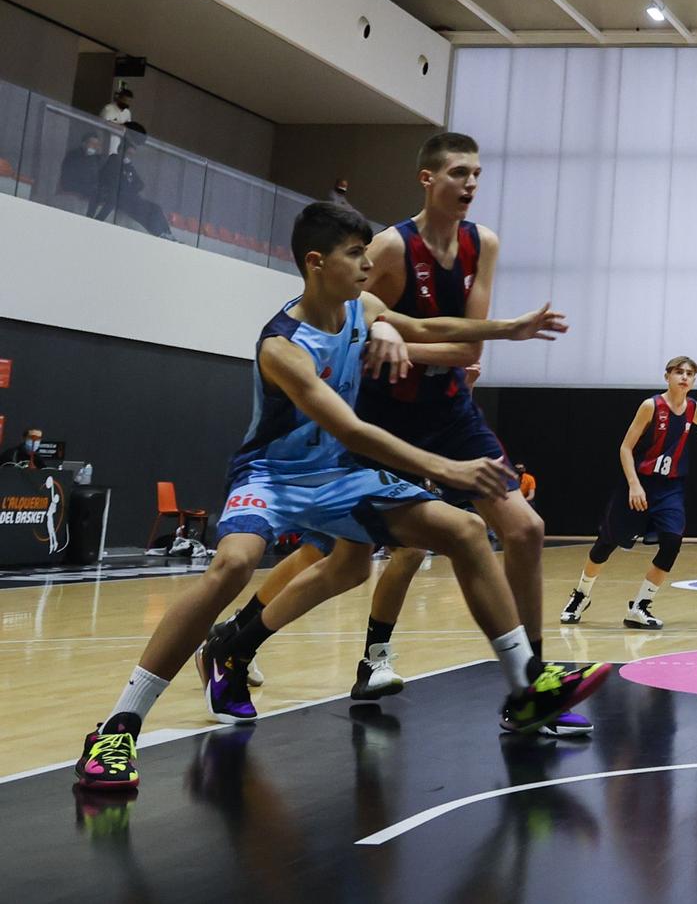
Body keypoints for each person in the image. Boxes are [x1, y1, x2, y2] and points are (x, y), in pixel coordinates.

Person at [72, 202, 608, 795]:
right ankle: (119, 727)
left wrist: (506, 329)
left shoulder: (364, 307)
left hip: (340, 476)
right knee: (233, 563)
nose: (367, 264)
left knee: (462, 532)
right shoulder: (281, 346)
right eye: (356, 255)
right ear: (315, 262)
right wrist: (445, 465)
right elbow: (352, 430)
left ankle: (525, 691)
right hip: (273, 476)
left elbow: (428, 331)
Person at [213, 132, 587, 733]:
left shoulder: (480, 243)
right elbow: (361, 317)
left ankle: (532, 679)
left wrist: (417, 331)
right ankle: (254, 640)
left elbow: (462, 341)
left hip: (449, 409)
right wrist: (385, 328)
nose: (470, 185)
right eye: (459, 174)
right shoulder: (387, 246)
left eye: (476, 176)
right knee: (345, 559)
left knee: (525, 529)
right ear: (427, 179)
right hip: (384, 414)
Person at [560, 356, 697, 629]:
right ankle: (581, 594)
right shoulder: (651, 406)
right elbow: (625, 448)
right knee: (606, 543)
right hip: (640, 483)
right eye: (678, 372)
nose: (684, 377)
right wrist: (634, 484)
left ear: (693, 381)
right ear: (667, 377)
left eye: (689, 374)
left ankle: (640, 606)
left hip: (670, 489)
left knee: (672, 542)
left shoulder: (692, 407)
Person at [58, 132, 103, 201]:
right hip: (73, 189)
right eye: (92, 143)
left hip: (87, 190)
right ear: (84, 143)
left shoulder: (94, 159)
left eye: (96, 145)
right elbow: (69, 176)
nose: (94, 147)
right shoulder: (73, 156)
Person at [99, 85, 133, 154]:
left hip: (119, 143)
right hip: (105, 141)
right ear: (119, 99)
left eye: (129, 101)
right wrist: (121, 127)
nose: (126, 103)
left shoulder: (127, 112)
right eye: (125, 100)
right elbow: (105, 123)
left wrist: (120, 127)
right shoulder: (109, 108)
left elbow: (128, 128)